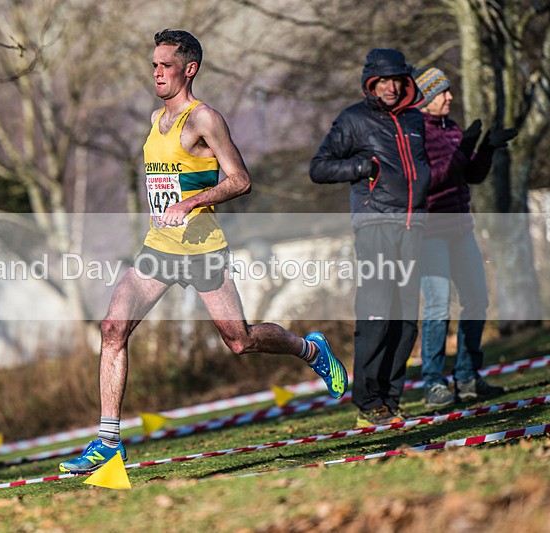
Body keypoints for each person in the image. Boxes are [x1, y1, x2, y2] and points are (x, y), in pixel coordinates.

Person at [59, 29, 348, 474]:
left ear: (188, 68)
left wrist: (191, 202)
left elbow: (240, 180)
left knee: (240, 340)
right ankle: (108, 442)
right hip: (158, 249)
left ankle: (310, 350)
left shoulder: (204, 119)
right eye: (153, 65)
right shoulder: (156, 120)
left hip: (202, 250)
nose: (156, 72)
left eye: (165, 65)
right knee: (113, 328)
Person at [309, 48, 431, 428]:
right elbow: (319, 167)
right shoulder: (354, 119)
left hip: (413, 226)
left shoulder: (414, 120)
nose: (391, 87)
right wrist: (362, 166)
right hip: (375, 224)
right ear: (370, 84)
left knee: (406, 320)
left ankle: (390, 402)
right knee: (378, 315)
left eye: (397, 79)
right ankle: (367, 402)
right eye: (383, 80)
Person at [412, 66, 514, 409]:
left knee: (477, 300)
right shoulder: (416, 134)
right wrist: (463, 150)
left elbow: (470, 175)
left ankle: (469, 377)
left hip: (460, 229)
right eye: (443, 92)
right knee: (439, 307)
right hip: (430, 233)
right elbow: (431, 180)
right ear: (426, 99)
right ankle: (434, 384)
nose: (450, 97)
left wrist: (485, 149)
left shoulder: (452, 129)